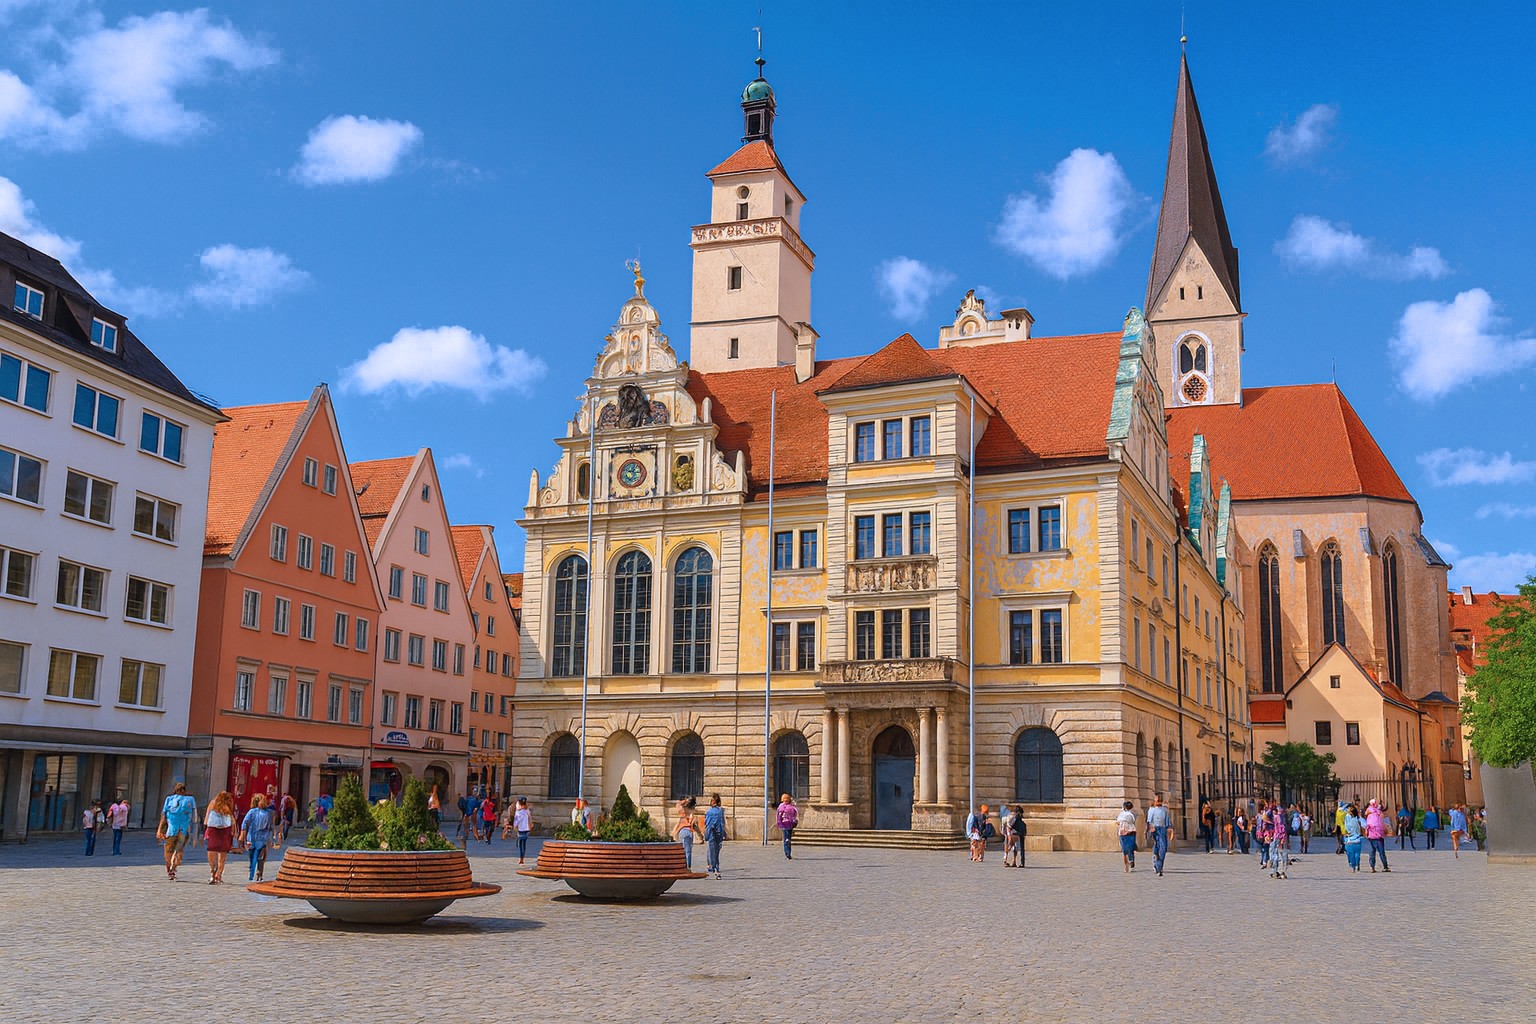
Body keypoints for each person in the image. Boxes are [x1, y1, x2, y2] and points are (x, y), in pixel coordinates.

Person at [157, 782, 199, 881]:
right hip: (183, 830)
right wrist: (195, 832)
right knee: (179, 850)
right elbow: (195, 817)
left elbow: (163, 816)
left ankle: (169, 869)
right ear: (184, 790)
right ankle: (173, 867)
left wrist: (159, 829)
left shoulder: (169, 799)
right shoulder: (190, 799)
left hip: (171, 830)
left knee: (168, 850)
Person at [239, 794, 275, 882]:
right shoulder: (269, 813)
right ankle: (260, 872)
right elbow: (271, 826)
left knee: (252, 853)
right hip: (264, 837)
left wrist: (242, 835)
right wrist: (272, 838)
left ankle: (252, 866)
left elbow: (245, 823)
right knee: (261, 856)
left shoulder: (251, 812)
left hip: (252, 837)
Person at [203, 791, 236, 884]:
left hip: (214, 829)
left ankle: (213, 873)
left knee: (212, 851)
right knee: (222, 854)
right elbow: (232, 818)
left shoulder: (213, 803)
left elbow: (207, 815)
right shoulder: (226, 804)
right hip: (225, 829)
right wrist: (234, 830)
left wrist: (205, 828)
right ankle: (218, 874)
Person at [1146, 794, 1172, 877]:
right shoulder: (1152, 809)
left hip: (1162, 829)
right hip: (1155, 829)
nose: (1158, 802)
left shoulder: (1164, 810)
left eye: (1160, 800)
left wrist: (1170, 830)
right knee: (1157, 846)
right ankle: (1156, 861)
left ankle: (1159, 866)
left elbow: (1167, 821)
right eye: (1157, 800)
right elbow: (1149, 821)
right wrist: (1150, 828)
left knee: (1163, 847)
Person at [1364, 799, 1391, 872]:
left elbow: (1367, 825)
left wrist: (1366, 833)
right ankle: (1385, 867)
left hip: (1371, 835)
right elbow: (1383, 825)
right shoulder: (1379, 813)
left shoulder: (1369, 814)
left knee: (1372, 851)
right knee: (1381, 852)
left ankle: (1372, 867)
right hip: (1379, 836)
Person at [703, 793, 726, 878]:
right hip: (719, 834)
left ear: (712, 802)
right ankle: (715, 868)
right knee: (716, 853)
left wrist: (706, 835)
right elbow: (722, 823)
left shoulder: (709, 812)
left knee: (711, 851)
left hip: (712, 834)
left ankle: (714, 869)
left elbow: (708, 824)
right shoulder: (720, 811)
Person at [673, 799, 698, 868]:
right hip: (690, 831)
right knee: (688, 851)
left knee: (683, 850)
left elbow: (678, 804)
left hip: (683, 830)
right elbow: (695, 825)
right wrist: (700, 834)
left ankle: (683, 866)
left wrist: (686, 800)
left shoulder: (682, 811)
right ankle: (688, 867)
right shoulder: (693, 814)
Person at [1342, 803, 1365, 872]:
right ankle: (1356, 864)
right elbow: (1364, 824)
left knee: (1351, 854)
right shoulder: (1357, 818)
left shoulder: (1348, 817)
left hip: (1350, 839)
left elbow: (1346, 827)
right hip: (1357, 839)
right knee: (1357, 854)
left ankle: (1353, 866)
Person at [1116, 801, 1138, 872]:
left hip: (1124, 833)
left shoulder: (1123, 814)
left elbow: (1118, 822)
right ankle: (1130, 862)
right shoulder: (1132, 814)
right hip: (1130, 832)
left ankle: (1128, 864)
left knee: (1125, 850)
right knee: (1129, 849)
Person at [1269, 805, 1290, 879]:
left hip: (1277, 838)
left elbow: (1282, 830)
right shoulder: (1281, 818)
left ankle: (1277, 871)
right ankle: (1281, 871)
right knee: (1281, 854)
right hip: (1279, 838)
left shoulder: (1277, 818)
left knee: (1277, 854)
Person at [775, 794, 798, 860]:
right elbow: (795, 815)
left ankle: (787, 853)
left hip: (784, 824)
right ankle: (788, 853)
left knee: (785, 838)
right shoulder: (792, 806)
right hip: (790, 824)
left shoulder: (781, 806)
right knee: (788, 838)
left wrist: (778, 823)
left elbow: (779, 816)